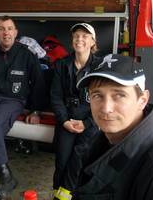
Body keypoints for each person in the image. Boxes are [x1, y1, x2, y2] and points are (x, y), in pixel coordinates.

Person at [55, 54, 153, 200]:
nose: (106, 108)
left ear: (142, 100)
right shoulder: (98, 143)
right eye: (97, 95)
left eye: (119, 95)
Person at [0, 16, 45, 196]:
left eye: (10, 29)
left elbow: (38, 84)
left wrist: (35, 110)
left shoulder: (27, 55)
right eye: (2, 29)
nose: (6, 33)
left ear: (16, 32)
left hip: (13, 99)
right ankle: (4, 175)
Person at [50, 23, 99, 191]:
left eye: (85, 36)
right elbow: (56, 97)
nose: (79, 39)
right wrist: (64, 121)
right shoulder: (61, 65)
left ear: (93, 42)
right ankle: (59, 196)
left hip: (90, 123)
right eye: (76, 36)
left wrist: (87, 123)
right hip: (67, 120)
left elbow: (103, 101)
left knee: (79, 162)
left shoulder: (99, 68)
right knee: (62, 162)